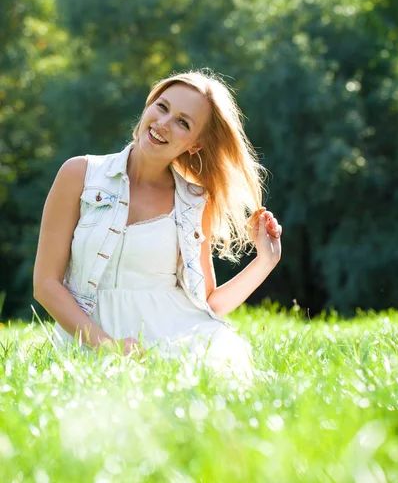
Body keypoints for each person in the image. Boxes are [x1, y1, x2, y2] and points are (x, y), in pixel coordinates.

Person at [33, 70, 282, 380]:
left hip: (174, 335)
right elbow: (45, 284)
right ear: (148, 105)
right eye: (162, 107)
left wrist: (265, 261)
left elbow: (206, 304)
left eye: (183, 123)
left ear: (195, 144)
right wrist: (108, 348)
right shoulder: (80, 174)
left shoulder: (193, 200)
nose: (163, 123)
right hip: (89, 338)